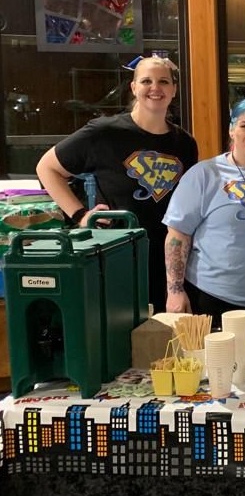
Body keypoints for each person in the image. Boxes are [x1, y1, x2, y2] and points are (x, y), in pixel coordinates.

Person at [35, 54, 199, 315]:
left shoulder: (185, 143)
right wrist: (80, 215)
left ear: (174, 90)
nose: (155, 88)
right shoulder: (103, 132)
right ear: (134, 88)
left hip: (170, 262)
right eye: (146, 81)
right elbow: (47, 168)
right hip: (118, 256)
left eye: (163, 81)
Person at [162, 98, 245, 327]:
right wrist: (174, 290)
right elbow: (178, 235)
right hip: (211, 297)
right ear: (232, 130)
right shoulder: (204, 175)